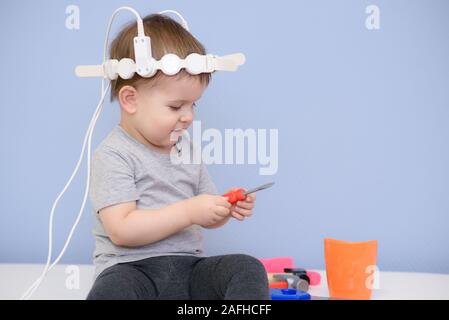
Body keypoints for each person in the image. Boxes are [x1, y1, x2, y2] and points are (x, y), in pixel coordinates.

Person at [86, 14, 269, 300]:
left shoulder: (187, 148)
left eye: (192, 104)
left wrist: (224, 208)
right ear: (130, 100)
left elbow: (206, 215)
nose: (188, 116)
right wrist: (189, 211)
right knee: (113, 290)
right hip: (132, 271)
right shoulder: (113, 155)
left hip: (189, 269)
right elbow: (121, 230)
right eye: (175, 106)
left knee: (246, 268)